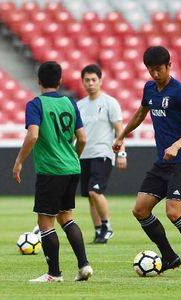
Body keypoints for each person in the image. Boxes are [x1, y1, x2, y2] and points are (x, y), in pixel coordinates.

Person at [112, 46, 181, 277]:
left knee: (173, 213)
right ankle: (169, 256)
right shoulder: (149, 88)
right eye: (151, 70)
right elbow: (140, 113)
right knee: (140, 210)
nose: (155, 74)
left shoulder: (180, 91)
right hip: (163, 162)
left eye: (159, 69)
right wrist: (121, 135)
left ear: (169, 65)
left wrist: (178, 145)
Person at [12, 61, 93, 283]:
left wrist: (19, 161)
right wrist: (72, 157)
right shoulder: (70, 102)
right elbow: (83, 137)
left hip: (51, 170)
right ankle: (84, 264)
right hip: (71, 167)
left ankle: (54, 273)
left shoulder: (36, 104)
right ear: (59, 81)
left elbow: (33, 135)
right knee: (66, 217)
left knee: (46, 222)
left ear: (38, 81)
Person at [77, 64, 126, 244]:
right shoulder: (79, 105)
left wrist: (122, 154)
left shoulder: (109, 103)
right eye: (87, 80)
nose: (90, 83)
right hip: (83, 155)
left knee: (95, 191)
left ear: (100, 81)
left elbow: (119, 130)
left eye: (93, 80)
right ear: (82, 82)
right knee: (90, 197)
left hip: (102, 153)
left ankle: (107, 226)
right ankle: (98, 230)